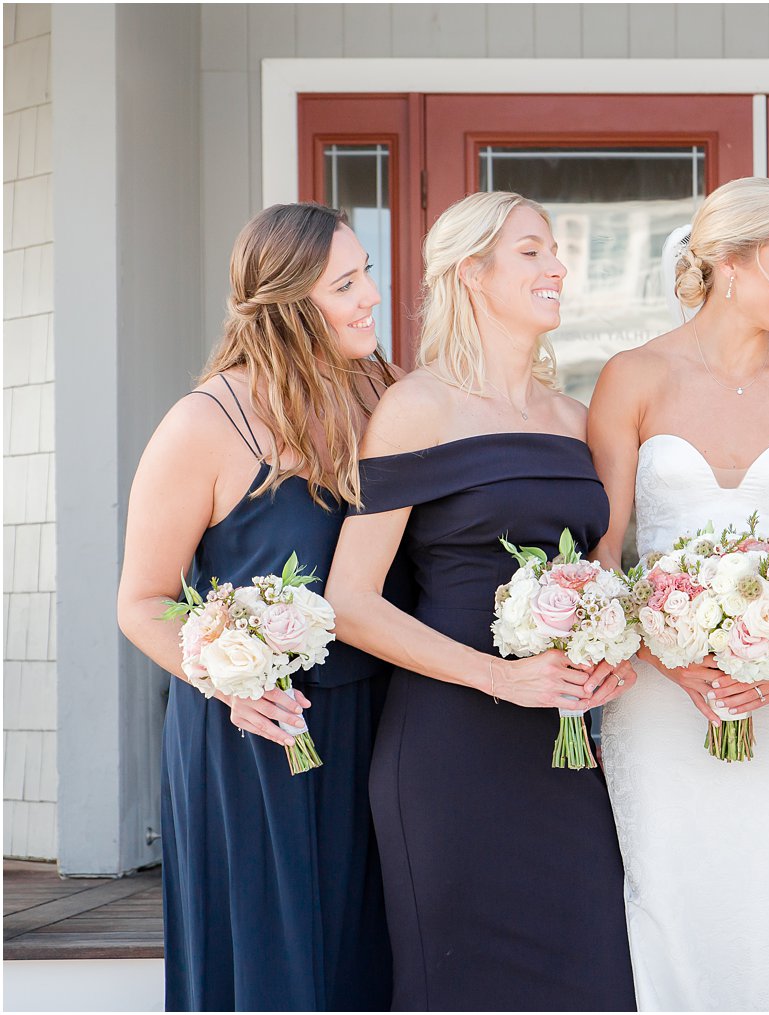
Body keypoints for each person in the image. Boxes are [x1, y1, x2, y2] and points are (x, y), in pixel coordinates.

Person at [324, 191, 637, 1011]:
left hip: (563, 750)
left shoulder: (576, 420)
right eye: (532, 251)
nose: (557, 266)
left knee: (594, 970)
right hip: (448, 752)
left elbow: (604, 574)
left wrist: (610, 657)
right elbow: (350, 601)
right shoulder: (415, 407)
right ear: (472, 272)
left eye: (555, 249)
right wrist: (500, 678)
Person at [587, 176, 769, 1010]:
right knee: (666, 900)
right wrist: (668, 661)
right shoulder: (632, 376)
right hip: (654, 696)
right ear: (727, 262)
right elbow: (608, 554)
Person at [117, 203, 394, 1011]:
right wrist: (233, 679)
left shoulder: (381, 394)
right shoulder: (205, 422)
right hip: (253, 737)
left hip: (374, 722)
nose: (370, 295)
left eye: (366, 271)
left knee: (363, 962)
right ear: (284, 305)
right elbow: (141, 601)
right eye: (346, 283)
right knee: (270, 971)